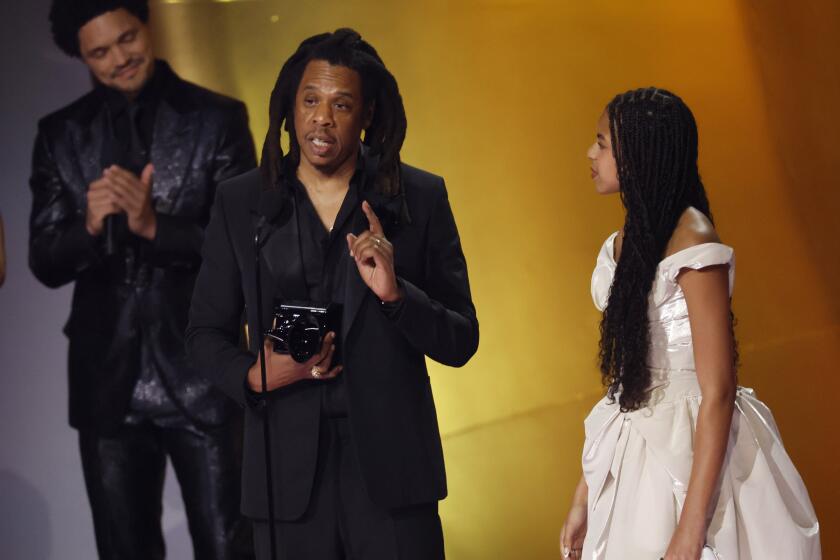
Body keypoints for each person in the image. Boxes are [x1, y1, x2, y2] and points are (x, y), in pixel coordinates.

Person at [186, 28, 479, 560]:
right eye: (310, 100)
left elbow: (462, 339)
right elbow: (204, 334)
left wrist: (397, 296)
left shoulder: (418, 197)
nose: (322, 118)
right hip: (284, 479)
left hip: (392, 479)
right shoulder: (242, 201)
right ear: (290, 106)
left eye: (341, 104)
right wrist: (254, 375)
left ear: (366, 114)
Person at [28, 1, 257, 558]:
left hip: (203, 372)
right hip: (107, 380)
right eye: (99, 52)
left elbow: (248, 248)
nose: (118, 59)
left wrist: (154, 225)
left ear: (146, 25)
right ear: (80, 56)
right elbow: (44, 259)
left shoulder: (217, 119)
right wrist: (86, 227)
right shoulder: (60, 136)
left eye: (125, 39)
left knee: (229, 544)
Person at [559, 88, 821, 560]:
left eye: (601, 143)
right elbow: (629, 382)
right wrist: (584, 496)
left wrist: (690, 530)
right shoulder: (626, 240)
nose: (590, 154)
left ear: (637, 152)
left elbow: (718, 388)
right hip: (636, 448)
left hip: (692, 450)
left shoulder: (694, 241)